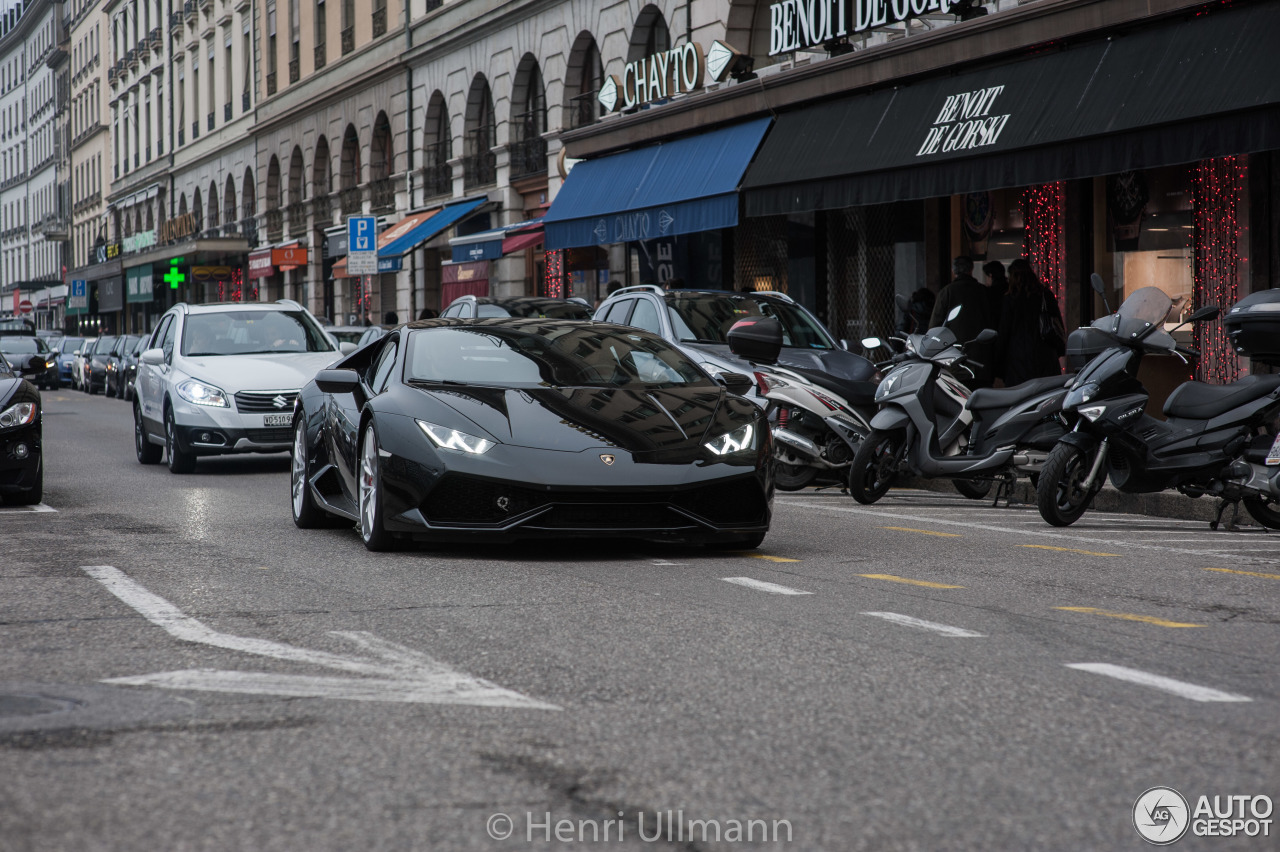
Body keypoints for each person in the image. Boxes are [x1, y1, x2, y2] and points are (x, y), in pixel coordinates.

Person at [998, 258, 1065, 387]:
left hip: (1018, 357)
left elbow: (1004, 330)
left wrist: (998, 362)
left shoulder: (1010, 299)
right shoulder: (1045, 295)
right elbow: (1057, 324)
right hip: (1045, 352)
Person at [929, 256, 995, 387]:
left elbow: (934, 328)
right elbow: (994, 322)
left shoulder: (946, 293)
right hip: (982, 360)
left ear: (954, 271)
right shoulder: (984, 292)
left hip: (955, 361)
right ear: (971, 269)